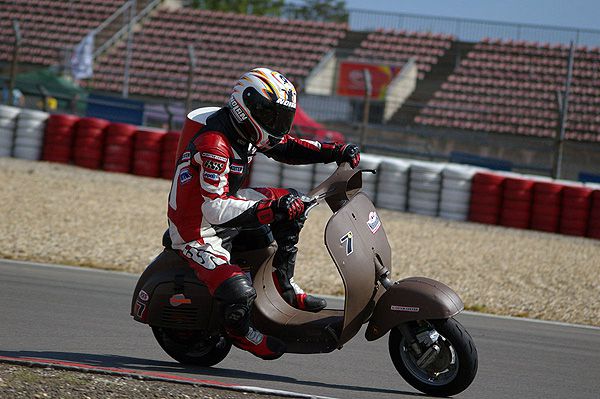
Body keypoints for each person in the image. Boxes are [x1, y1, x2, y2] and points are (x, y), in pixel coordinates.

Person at [166, 67, 360, 360]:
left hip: (224, 205)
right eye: (272, 115)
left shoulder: (243, 129)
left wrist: (334, 151)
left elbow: (287, 148)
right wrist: (271, 208)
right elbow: (214, 208)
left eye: (282, 116)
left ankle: (284, 286)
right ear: (247, 107)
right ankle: (242, 333)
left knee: (293, 204)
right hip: (197, 228)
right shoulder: (215, 144)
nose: (278, 125)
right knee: (238, 291)